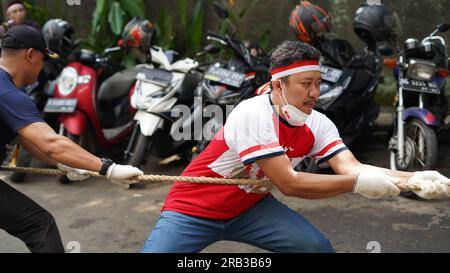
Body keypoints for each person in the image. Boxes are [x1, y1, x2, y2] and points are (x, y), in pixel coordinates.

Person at [142, 41, 450, 253]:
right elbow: (289, 183)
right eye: (306, 84)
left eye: (318, 82)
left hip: (249, 209)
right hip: (192, 211)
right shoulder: (252, 113)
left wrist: (412, 180)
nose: (315, 92)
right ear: (278, 85)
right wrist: (356, 184)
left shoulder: (317, 122)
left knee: (315, 249)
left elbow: (351, 166)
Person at [0, 25, 143, 253]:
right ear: (30, 55)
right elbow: (51, 143)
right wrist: (108, 168)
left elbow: (30, 141)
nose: (42, 68)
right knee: (40, 226)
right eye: (42, 60)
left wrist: (63, 163)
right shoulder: (8, 93)